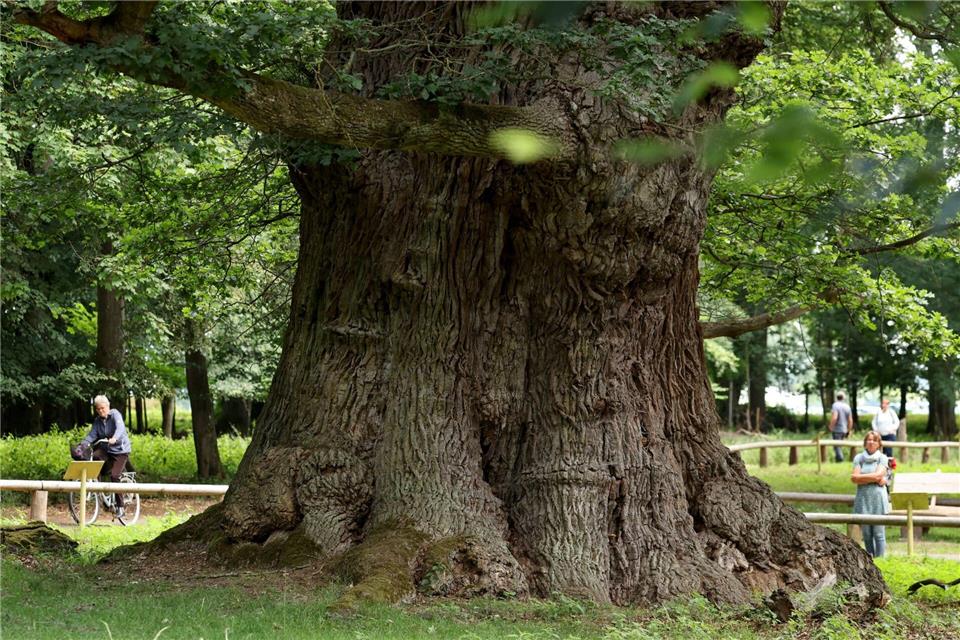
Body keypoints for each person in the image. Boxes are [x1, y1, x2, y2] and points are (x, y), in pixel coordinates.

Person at [80, 395, 132, 518]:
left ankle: (120, 507)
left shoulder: (115, 415)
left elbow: (120, 428)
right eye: (98, 409)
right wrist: (83, 444)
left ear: (108, 406)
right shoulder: (98, 421)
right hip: (107, 449)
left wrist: (114, 438)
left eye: (102, 408)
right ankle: (101, 492)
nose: (100, 411)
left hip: (120, 450)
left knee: (115, 476)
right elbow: (92, 435)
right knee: (96, 458)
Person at [851, 431, 890, 558]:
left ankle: (881, 558)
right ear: (865, 442)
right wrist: (874, 478)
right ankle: (870, 558)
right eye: (869, 439)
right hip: (863, 499)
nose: (871, 442)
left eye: (874, 440)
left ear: (879, 443)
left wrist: (862, 477)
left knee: (879, 533)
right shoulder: (859, 458)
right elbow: (854, 478)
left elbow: (879, 475)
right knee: (866, 534)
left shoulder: (882, 458)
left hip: (878, 499)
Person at [828, 392, 854, 462]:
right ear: (843, 398)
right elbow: (850, 420)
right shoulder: (847, 406)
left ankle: (840, 460)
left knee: (837, 447)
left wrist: (831, 426)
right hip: (844, 430)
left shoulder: (835, 405)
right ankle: (838, 461)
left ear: (837, 397)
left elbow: (834, 417)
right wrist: (849, 430)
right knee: (839, 446)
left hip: (837, 430)